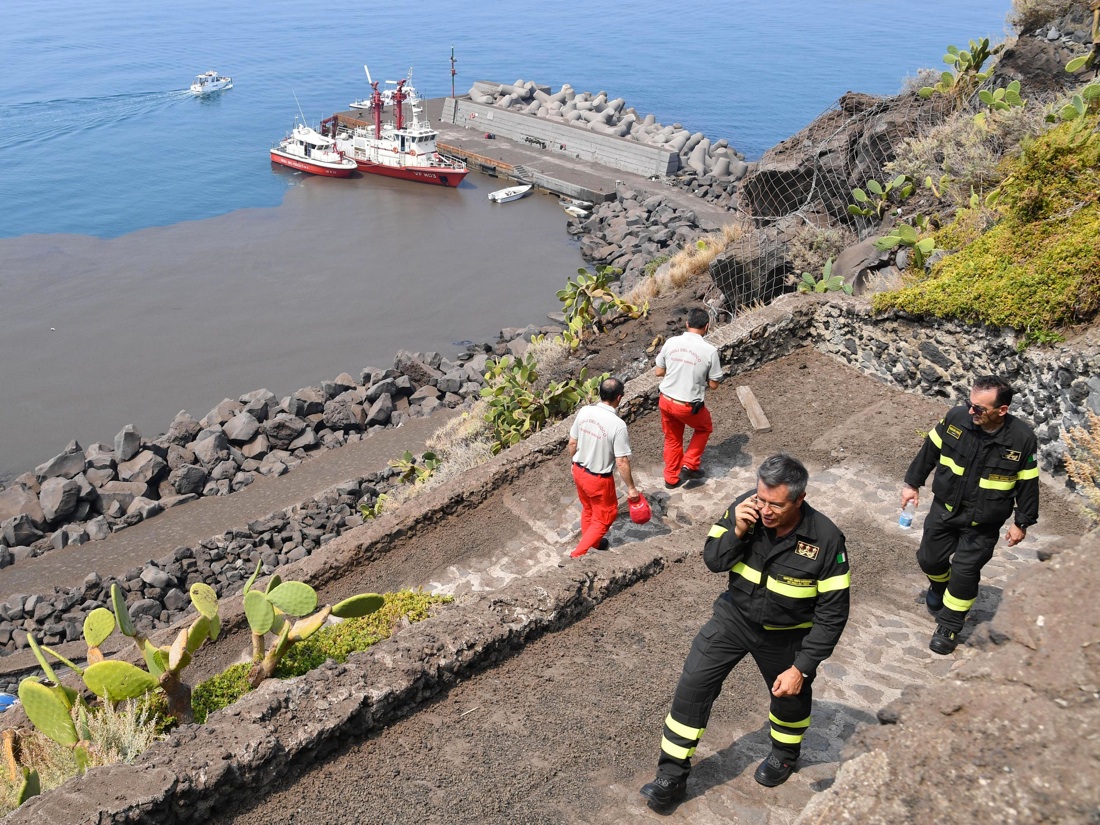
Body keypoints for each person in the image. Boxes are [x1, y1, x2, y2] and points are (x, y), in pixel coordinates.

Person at [640, 454, 850, 810]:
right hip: (733, 619)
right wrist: (736, 530)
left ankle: (784, 754)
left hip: (788, 634)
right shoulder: (744, 509)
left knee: (789, 696)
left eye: (776, 505)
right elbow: (713, 560)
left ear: (800, 499)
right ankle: (670, 778)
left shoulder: (826, 539)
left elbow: (833, 614)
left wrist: (802, 667)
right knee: (693, 687)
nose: (765, 510)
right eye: (761, 499)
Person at [901, 375, 1039, 655]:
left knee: (965, 573)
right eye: (970, 404)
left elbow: (1028, 483)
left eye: (980, 408)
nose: (971, 412)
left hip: (983, 523)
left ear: (1002, 410)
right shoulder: (956, 419)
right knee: (929, 559)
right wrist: (911, 484)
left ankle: (949, 626)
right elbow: (929, 451)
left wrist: (1021, 522)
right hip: (945, 510)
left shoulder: (1022, 439)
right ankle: (940, 587)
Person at [568, 376, 639, 559]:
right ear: (619, 398)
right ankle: (577, 555)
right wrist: (631, 488)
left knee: (589, 509)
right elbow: (621, 461)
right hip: (598, 479)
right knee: (605, 516)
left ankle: (596, 543)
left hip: (578, 470)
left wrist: (573, 463)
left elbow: (572, 442)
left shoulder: (584, 411)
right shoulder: (618, 425)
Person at [654, 307, 723, 489]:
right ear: (707, 327)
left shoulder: (671, 342)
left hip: (665, 400)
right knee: (704, 427)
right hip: (687, 405)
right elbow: (714, 385)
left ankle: (671, 478)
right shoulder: (710, 351)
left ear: (687, 324)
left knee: (672, 439)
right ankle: (689, 465)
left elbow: (659, 371)